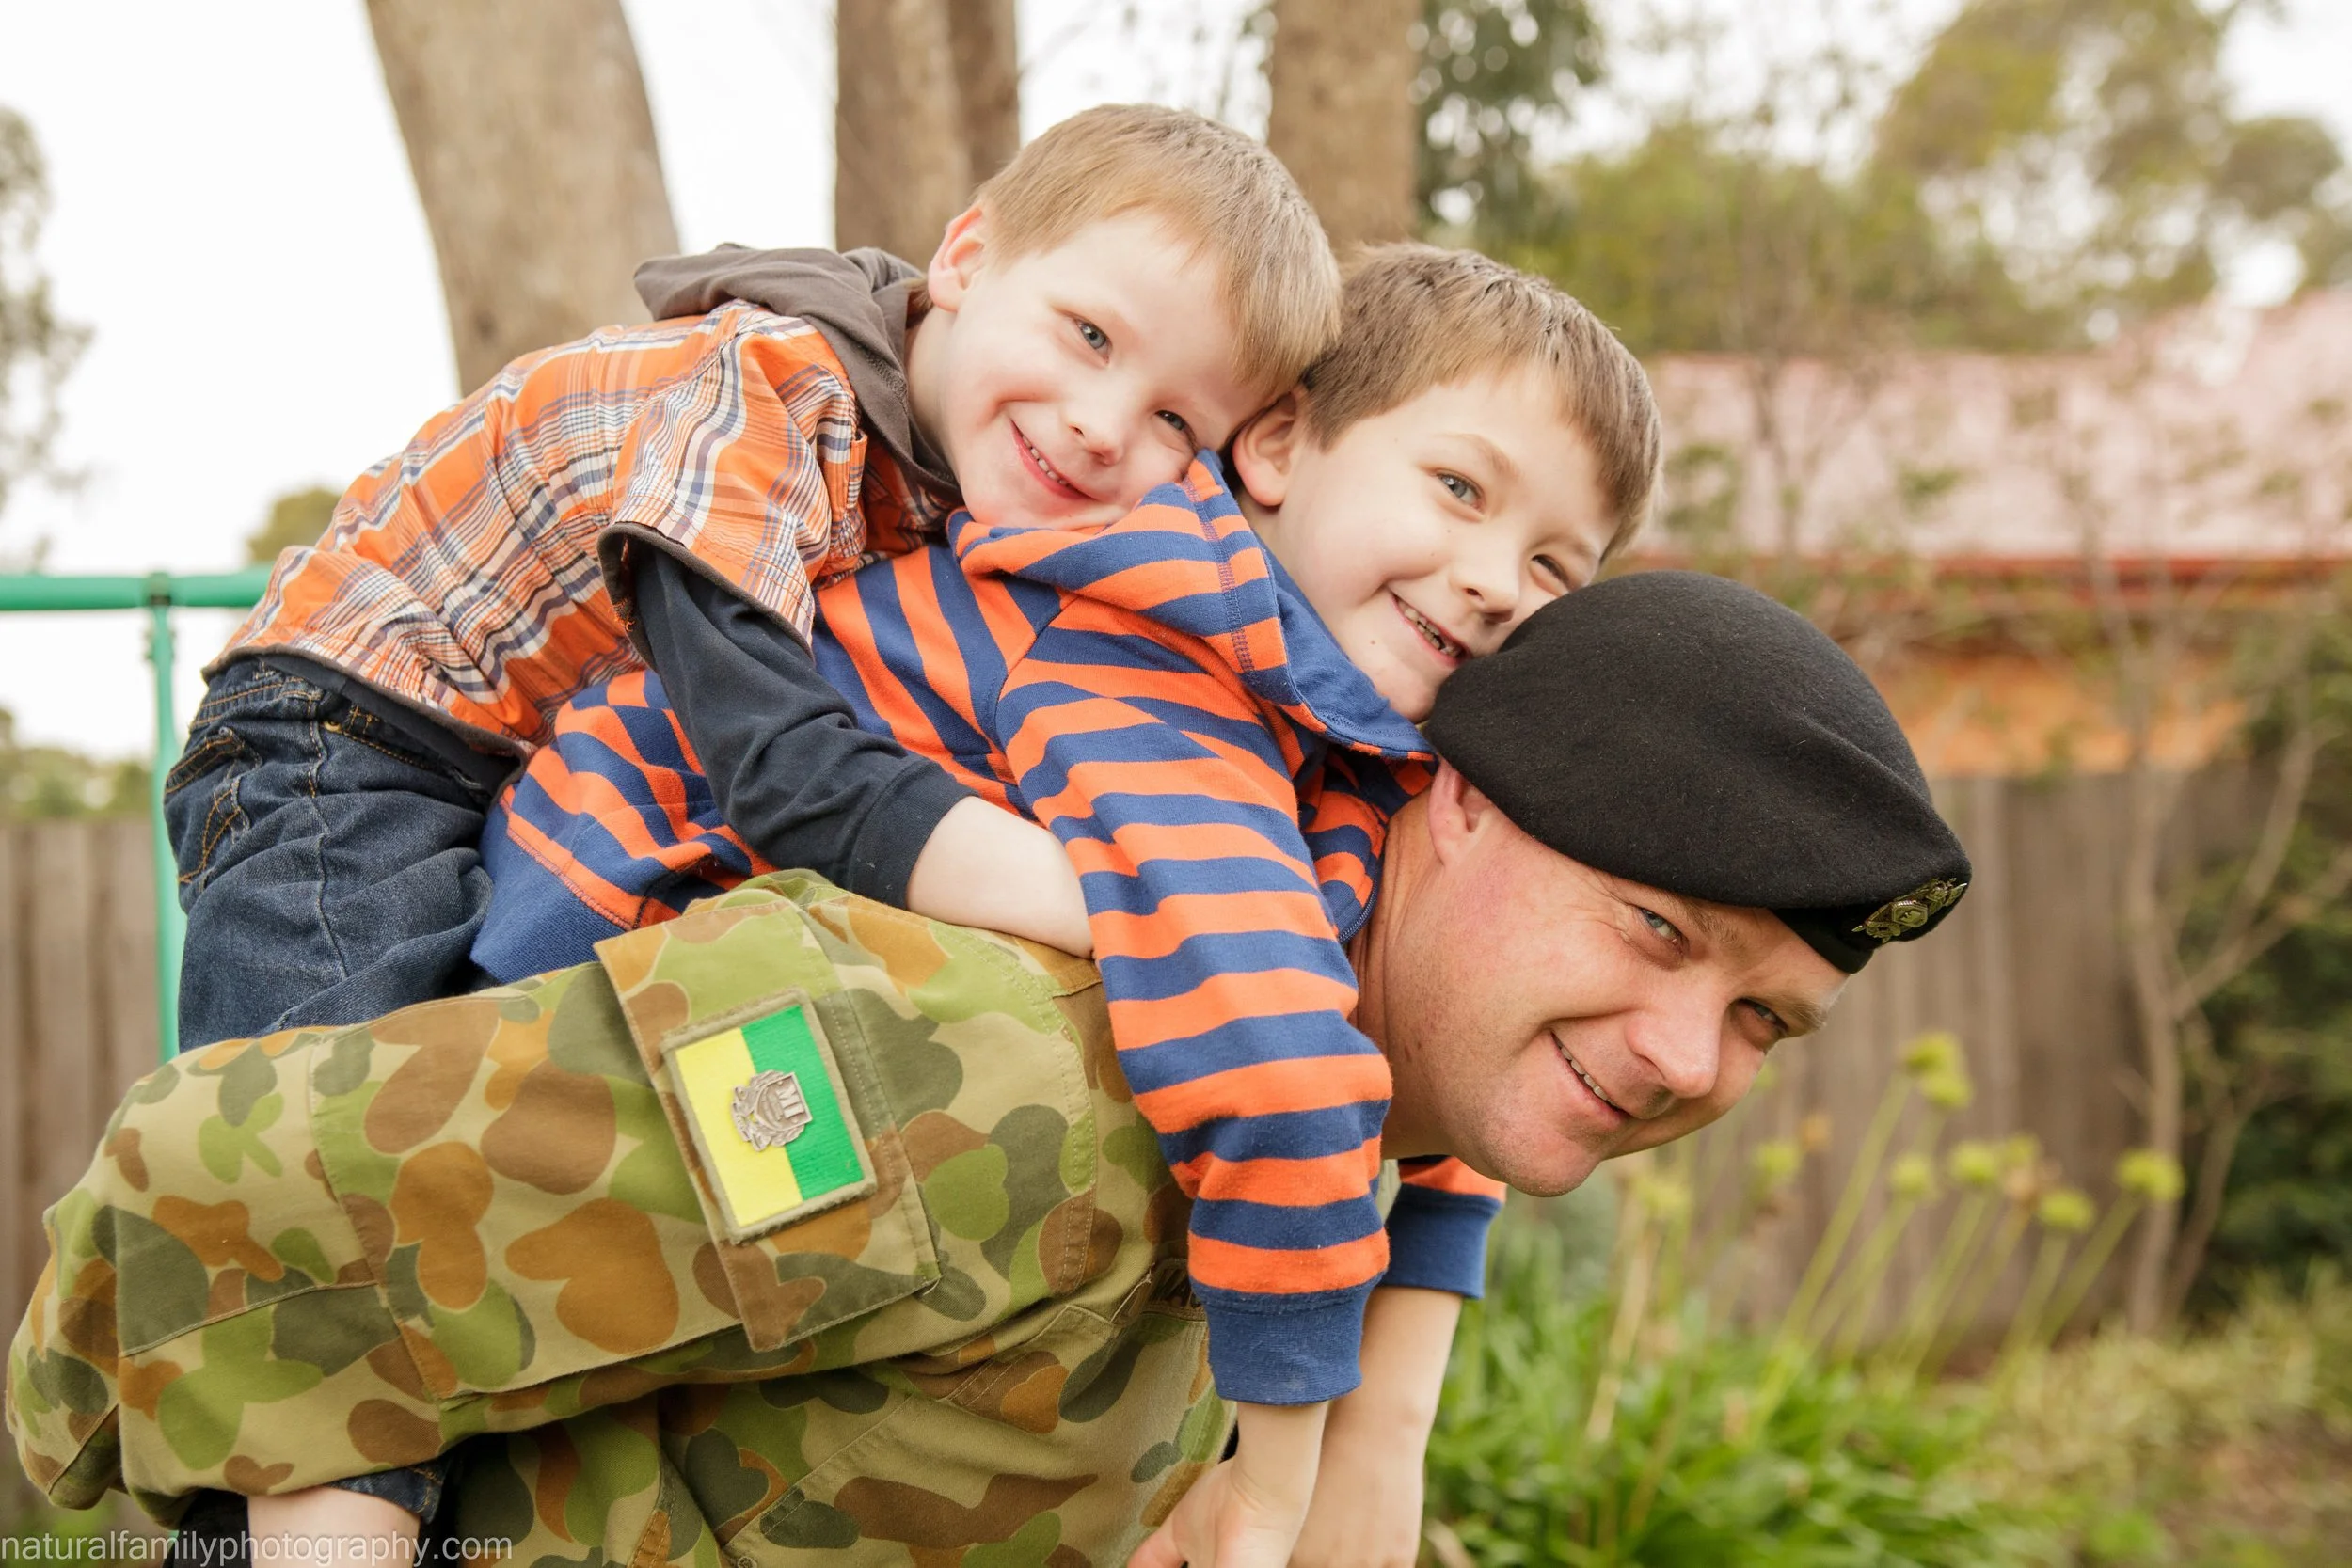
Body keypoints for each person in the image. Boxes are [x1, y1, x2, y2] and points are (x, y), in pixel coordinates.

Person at [8, 571, 1974, 1568]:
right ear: (1448, 803)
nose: (1680, 1057)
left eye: (1760, 1022)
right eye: (1651, 933)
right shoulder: (998, 1057)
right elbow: (209, 1202)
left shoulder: (1326, 1154)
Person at [467, 245, 1652, 1554]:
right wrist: (1282, 1474)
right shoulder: (1152, 656)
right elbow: (1282, 1050)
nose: (1493, 577)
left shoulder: (1332, 713)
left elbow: (1421, 1008)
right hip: (597, 919)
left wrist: (1399, 1415)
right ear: (1278, 446)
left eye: (1553, 567)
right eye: (1456, 486)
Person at [165, 100, 1332, 1048]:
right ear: (968, 260)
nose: (1101, 424)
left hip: (518, 773)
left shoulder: (962, 478)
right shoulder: (766, 393)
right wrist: (1124, 903)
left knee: (471, 1123)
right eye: (1089, 335)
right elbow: (783, 763)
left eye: (1177, 418)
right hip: (340, 735)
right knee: (308, 1143)